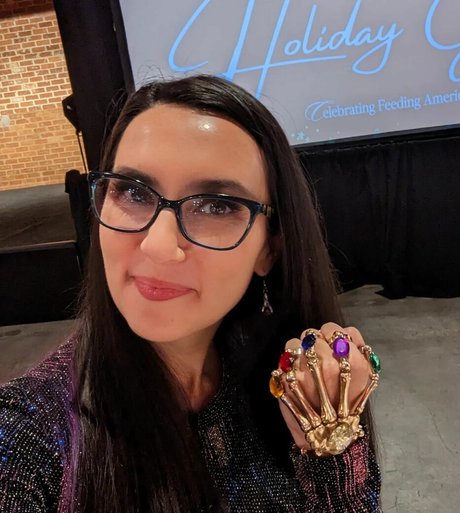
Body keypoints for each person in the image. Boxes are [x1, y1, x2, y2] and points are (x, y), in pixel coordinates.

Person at [0, 75, 381, 512]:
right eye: (133, 192)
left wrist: (330, 447)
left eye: (216, 205)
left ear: (269, 249)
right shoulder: (26, 433)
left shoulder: (288, 380)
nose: (158, 246)